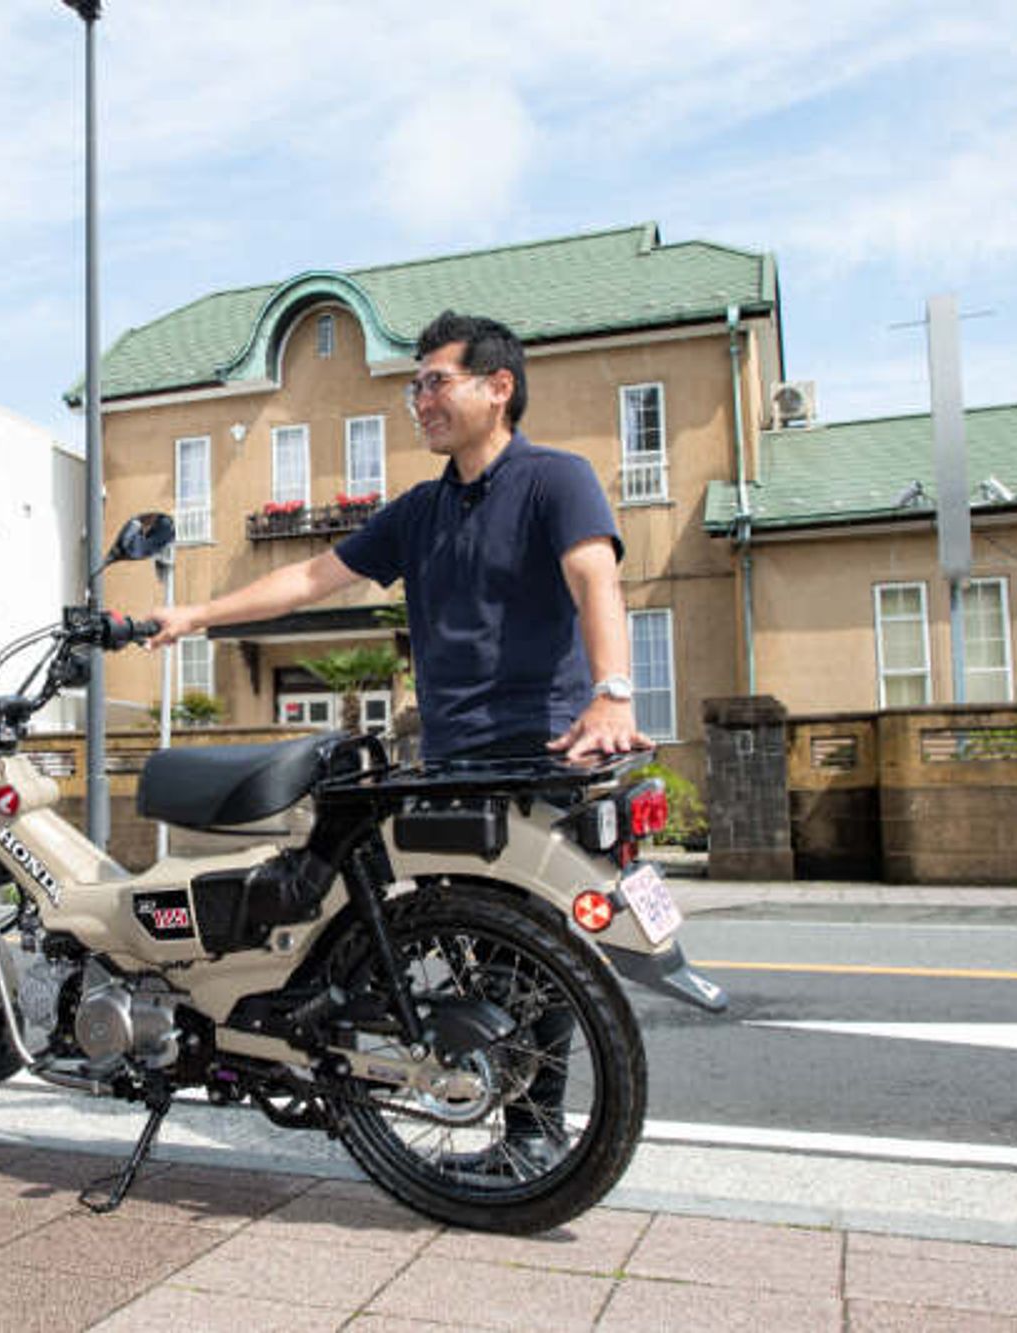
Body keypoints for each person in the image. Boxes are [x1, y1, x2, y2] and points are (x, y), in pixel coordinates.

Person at [147, 309, 649, 1175]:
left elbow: (593, 573)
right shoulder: (422, 510)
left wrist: (612, 694)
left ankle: (533, 1131)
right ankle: (472, 1103)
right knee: (475, 943)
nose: (419, 399)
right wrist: (198, 613)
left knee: (538, 948)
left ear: (498, 387)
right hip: (455, 754)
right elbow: (312, 575)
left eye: (434, 381)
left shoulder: (555, 479)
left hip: (542, 745)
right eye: (414, 383)